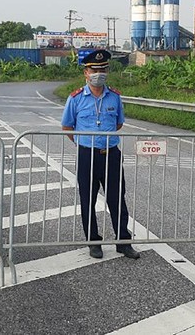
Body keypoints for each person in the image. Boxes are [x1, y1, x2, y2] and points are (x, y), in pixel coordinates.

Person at [61, 49, 140, 260]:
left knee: (117, 199)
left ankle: (123, 241)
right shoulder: (75, 98)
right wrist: (85, 143)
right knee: (88, 199)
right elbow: (67, 127)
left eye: (103, 69)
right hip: (87, 155)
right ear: (86, 72)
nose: (99, 73)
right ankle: (93, 242)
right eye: (94, 70)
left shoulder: (114, 97)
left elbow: (119, 123)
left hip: (111, 155)